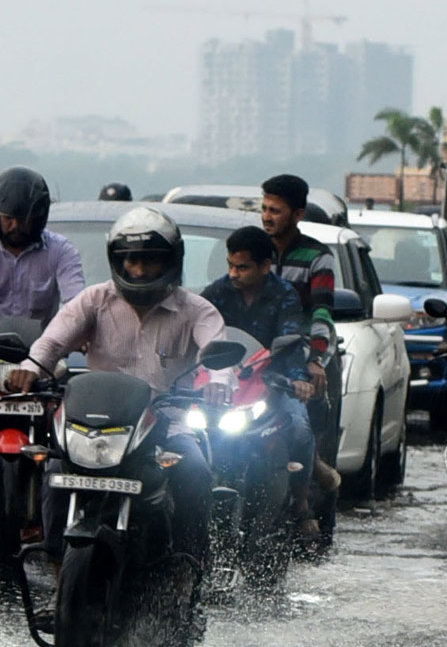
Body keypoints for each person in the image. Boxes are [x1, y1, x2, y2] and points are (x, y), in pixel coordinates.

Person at [6, 207, 232, 569]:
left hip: (165, 426)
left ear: (171, 262)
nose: (138, 271)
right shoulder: (94, 300)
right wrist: (30, 369)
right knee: (54, 472)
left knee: (195, 472)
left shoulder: (197, 310)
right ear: (117, 261)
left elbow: (216, 353)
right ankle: (58, 572)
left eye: (148, 262)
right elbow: (51, 344)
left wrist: (219, 383)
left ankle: (189, 571)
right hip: (95, 429)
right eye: (130, 261)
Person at [200, 225, 319, 537]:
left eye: (242, 267)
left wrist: (298, 380)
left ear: (265, 266)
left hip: (271, 383)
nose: (234, 274)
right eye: (230, 265)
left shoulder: (284, 295)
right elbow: (194, 334)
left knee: (300, 427)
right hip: (222, 386)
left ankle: (300, 502)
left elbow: (290, 343)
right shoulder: (215, 293)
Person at [260, 174, 342, 495]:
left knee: (314, 402)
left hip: (303, 354)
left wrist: (316, 359)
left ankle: (308, 492)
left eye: (275, 211)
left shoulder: (318, 256)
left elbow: (322, 313)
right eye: (264, 208)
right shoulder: (253, 252)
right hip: (257, 355)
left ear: (297, 215)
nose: (267, 216)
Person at [0, 167, 85, 327]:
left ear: (38, 217)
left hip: (44, 348)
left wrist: (79, 325)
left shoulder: (60, 251)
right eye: (8, 219)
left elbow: (75, 301)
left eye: (24, 219)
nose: (15, 226)